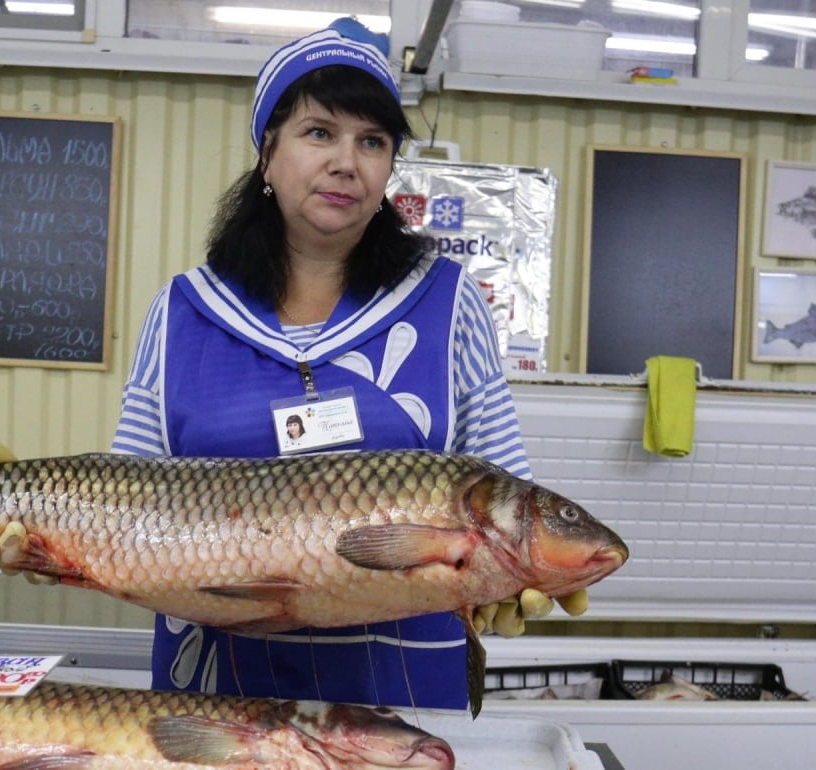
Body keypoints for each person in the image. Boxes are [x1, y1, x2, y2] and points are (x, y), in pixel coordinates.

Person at [102, 20, 544, 710]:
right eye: (320, 133)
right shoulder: (183, 312)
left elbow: (504, 490)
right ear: (267, 154)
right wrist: (42, 534)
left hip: (400, 692)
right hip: (222, 690)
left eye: (372, 141)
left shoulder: (447, 302)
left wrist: (520, 575)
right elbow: (125, 503)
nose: (348, 161)